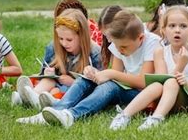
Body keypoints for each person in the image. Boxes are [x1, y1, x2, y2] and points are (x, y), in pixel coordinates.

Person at [16, 10, 161, 127]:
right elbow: (116, 75)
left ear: (140, 38)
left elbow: (143, 82)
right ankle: (53, 112)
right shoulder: (120, 41)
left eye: (123, 47)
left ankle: (71, 115)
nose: (120, 50)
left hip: (143, 95)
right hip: (125, 89)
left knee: (110, 86)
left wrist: (109, 73)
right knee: (85, 80)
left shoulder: (151, 43)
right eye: (117, 47)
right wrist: (95, 74)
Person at [109, 5, 188, 130]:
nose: (177, 30)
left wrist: (185, 80)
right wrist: (179, 66)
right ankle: (124, 115)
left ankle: (156, 118)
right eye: (172, 26)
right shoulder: (160, 52)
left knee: (172, 82)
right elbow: (163, 80)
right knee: (156, 85)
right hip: (165, 99)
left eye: (183, 26)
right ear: (164, 30)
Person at [16, 8, 102, 111]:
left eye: (69, 40)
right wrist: (48, 72)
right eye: (61, 39)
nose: (64, 43)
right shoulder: (53, 47)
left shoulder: (95, 52)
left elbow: (99, 86)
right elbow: (43, 72)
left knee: (55, 90)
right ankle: (32, 95)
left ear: (82, 36)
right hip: (55, 82)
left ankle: (34, 98)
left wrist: (73, 82)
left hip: (75, 91)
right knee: (48, 80)